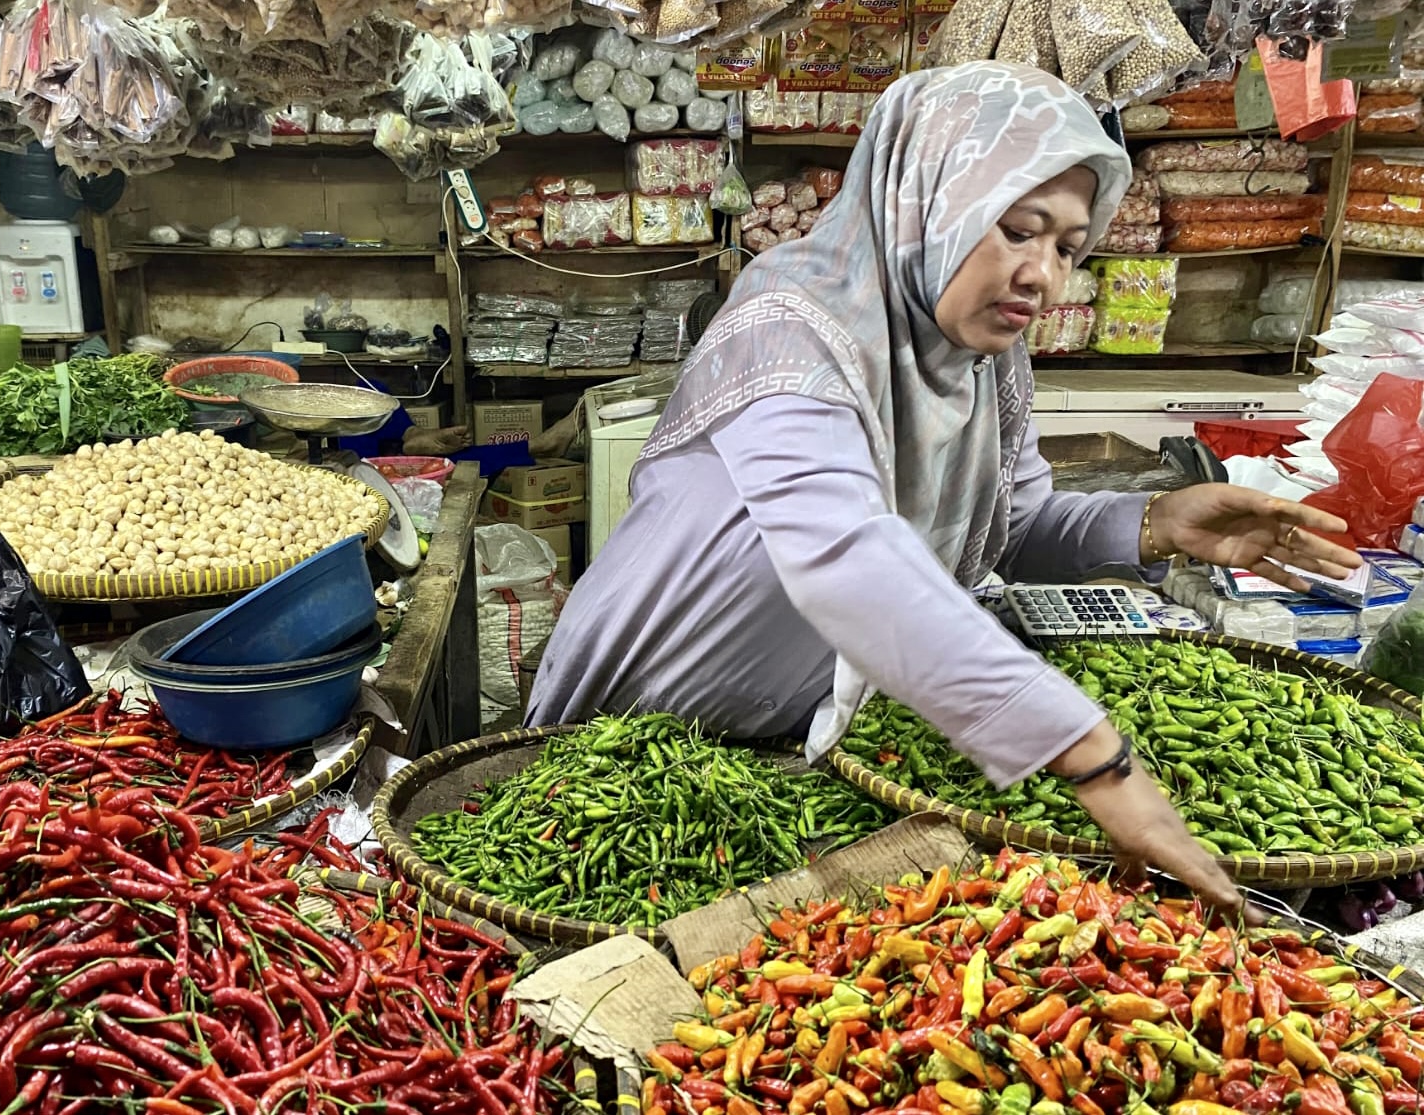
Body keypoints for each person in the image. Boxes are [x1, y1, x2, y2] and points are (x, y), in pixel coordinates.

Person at [526, 62, 1362, 913]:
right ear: (928, 197)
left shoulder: (982, 362)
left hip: (790, 742)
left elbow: (1014, 520)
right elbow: (848, 558)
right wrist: (1087, 752)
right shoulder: (788, 328)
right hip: (637, 725)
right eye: (1017, 229)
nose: (1044, 274)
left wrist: (1155, 522)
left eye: (1068, 247)